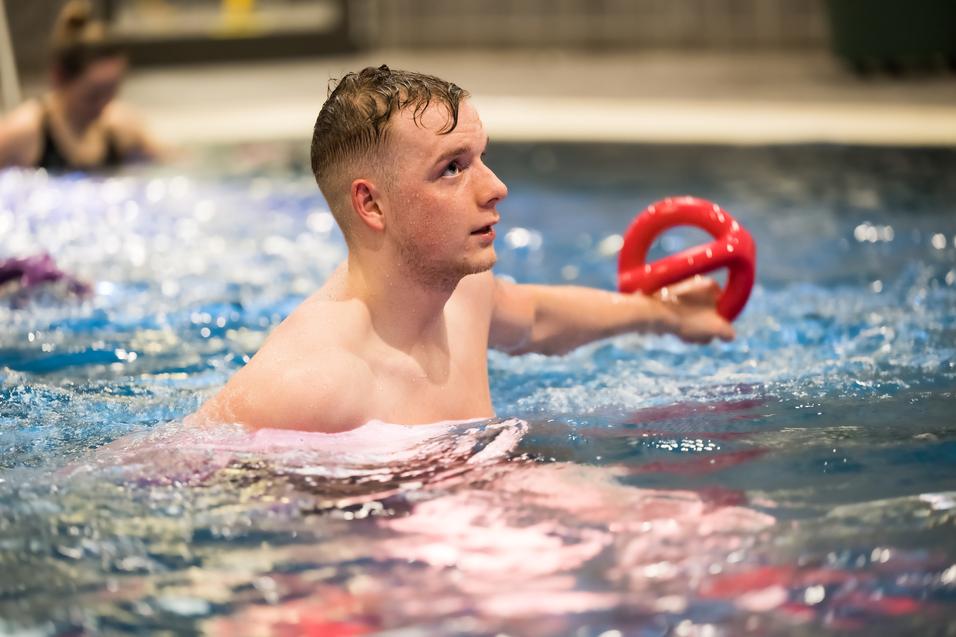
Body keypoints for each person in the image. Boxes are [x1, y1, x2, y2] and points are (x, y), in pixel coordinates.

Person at [194, 65, 735, 433]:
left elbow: (535, 317)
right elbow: (171, 474)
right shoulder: (313, 383)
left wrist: (663, 314)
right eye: (452, 168)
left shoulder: (465, 292)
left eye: (481, 158)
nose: (496, 187)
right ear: (371, 205)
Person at [0, 0, 160, 170]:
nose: (103, 104)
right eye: (94, 95)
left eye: (111, 92)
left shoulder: (121, 127)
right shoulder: (23, 132)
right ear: (59, 77)